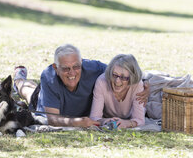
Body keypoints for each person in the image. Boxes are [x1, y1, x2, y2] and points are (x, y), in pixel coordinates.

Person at [13, 44, 148, 128]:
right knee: (28, 93)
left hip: (81, 112)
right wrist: (76, 122)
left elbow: (124, 72)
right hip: (52, 107)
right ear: (56, 67)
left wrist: (146, 85)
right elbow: (53, 119)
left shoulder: (95, 69)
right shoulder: (49, 77)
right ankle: (19, 78)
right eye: (66, 68)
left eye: (76, 66)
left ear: (82, 63)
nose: (72, 73)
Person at [89, 54, 145, 129]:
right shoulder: (101, 81)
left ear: (131, 78)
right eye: (114, 75)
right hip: (108, 117)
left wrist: (127, 123)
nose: (117, 81)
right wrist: (105, 121)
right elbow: (94, 117)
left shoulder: (137, 84)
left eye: (123, 77)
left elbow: (140, 119)